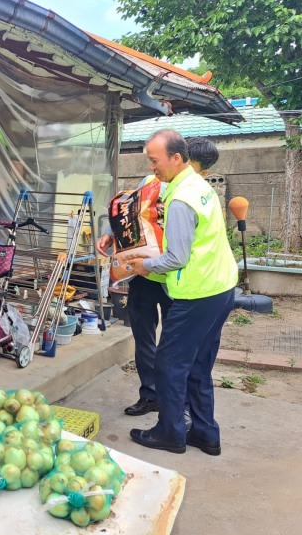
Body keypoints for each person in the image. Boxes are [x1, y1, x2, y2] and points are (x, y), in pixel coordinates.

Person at [126, 129, 236, 455]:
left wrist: (143, 266)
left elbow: (176, 257)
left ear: (176, 158)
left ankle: (170, 432)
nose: (151, 166)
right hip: (222, 287)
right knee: (199, 366)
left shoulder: (180, 198)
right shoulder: (198, 184)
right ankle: (205, 433)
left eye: (155, 160)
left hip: (197, 292)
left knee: (169, 364)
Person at [97, 136, 220, 419]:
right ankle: (150, 395)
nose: (154, 167)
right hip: (143, 277)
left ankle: (180, 407)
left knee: (177, 349)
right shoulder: (148, 182)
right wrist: (111, 235)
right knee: (144, 340)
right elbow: (128, 218)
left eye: (155, 161)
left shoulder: (193, 191)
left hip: (177, 281)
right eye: (152, 161)